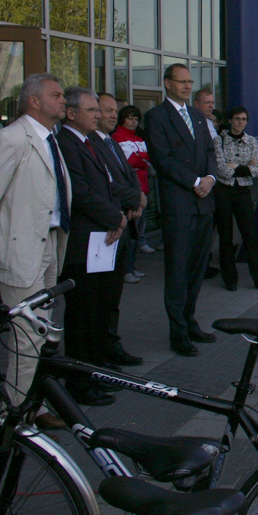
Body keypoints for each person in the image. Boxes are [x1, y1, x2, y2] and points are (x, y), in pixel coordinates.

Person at [0, 74, 71, 424]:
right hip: (21, 249)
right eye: (56, 95)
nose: (63, 100)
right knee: (27, 336)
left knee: (41, 333)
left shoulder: (51, 138)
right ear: (34, 102)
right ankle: (15, 418)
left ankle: (33, 406)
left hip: (49, 244)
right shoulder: (10, 139)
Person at [57, 87, 126, 405]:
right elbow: (81, 193)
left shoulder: (88, 142)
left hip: (101, 240)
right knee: (82, 316)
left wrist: (117, 216)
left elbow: (108, 185)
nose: (98, 115)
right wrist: (116, 217)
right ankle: (80, 384)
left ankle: (96, 372)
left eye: (99, 110)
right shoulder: (66, 144)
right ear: (71, 114)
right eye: (92, 110)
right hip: (83, 243)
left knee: (98, 310)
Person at [145, 64, 219, 356]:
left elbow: (210, 151)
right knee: (177, 271)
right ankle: (178, 334)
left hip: (204, 204)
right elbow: (162, 159)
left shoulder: (198, 116)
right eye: (181, 81)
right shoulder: (157, 117)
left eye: (190, 81)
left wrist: (210, 178)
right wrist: (195, 181)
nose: (187, 86)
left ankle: (189, 322)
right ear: (167, 83)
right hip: (179, 205)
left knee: (197, 270)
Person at [92, 92, 146, 367]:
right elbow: (104, 184)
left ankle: (111, 345)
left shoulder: (110, 142)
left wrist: (136, 198)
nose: (113, 115)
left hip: (123, 225)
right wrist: (134, 199)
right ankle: (99, 354)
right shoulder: (90, 143)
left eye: (115, 110)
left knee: (113, 297)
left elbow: (128, 176)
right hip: (104, 230)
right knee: (98, 300)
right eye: (107, 110)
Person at [214, 107, 258, 292]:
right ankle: (230, 279)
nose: (240, 122)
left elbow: (257, 170)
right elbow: (221, 168)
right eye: (237, 118)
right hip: (223, 191)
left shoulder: (252, 141)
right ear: (230, 120)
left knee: (250, 235)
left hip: (243, 192)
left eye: (244, 119)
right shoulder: (219, 140)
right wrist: (245, 168)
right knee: (226, 236)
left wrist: (236, 166)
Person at [114, 105, 155, 273]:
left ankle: (132, 265)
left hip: (144, 188)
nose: (133, 122)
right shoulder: (117, 137)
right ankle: (126, 269)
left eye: (136, 119)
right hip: (130, 190)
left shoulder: (139, 139)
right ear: (122, 119)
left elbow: (147, 158)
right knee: (131, 231)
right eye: (130, 118)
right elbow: (130, 161)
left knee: (139, 228)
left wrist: (142, 160)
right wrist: (143, 161)